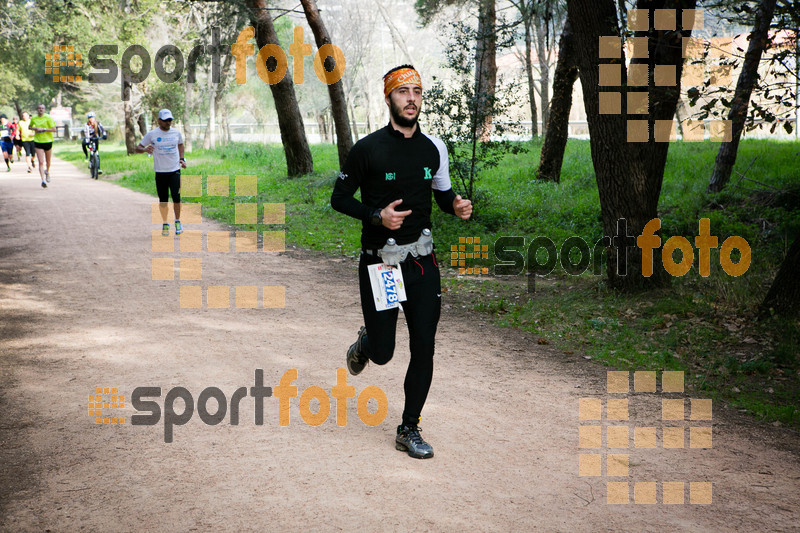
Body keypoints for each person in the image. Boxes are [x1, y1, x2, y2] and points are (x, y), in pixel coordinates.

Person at [331, 65, 473, 459]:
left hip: (422, 264)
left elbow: (442, 195)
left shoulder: (434, 148)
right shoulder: (368, 149)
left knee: (424, 346)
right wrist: (378, 217)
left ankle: (409, 427)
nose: (411, 98)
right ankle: (367, 342)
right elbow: (339, 199)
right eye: (402, 92)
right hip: (383, 266)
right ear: (388, 98)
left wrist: (455, 205)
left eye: (416, 91)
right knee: (383, 353)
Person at [135, 109, 186, 236]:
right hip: (160, 172)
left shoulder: (176, 133)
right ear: (159, 121)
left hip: (175, 171)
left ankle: (178, 221)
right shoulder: (152, 134)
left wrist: (182, 159)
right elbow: (137, 148)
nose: (168, 122)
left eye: (170, 120)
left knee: (176, 198)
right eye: (165, 120)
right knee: (163, 200)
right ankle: (165, 223)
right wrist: (146, 150)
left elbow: (180, 145)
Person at [29, 104, 57, 188]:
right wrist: (35, 129)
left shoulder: (48, 118)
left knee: (48, 162)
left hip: (48, 141)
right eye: (39, 108)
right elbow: (29, 126)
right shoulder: (34, 118)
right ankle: (43, 180)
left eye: (42, 108)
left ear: (44, 110)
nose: (40, 110)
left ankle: (47, 171)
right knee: (41, 162)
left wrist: (44, 129)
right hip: (38, 141)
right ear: (37, 109)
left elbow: (54, 129)